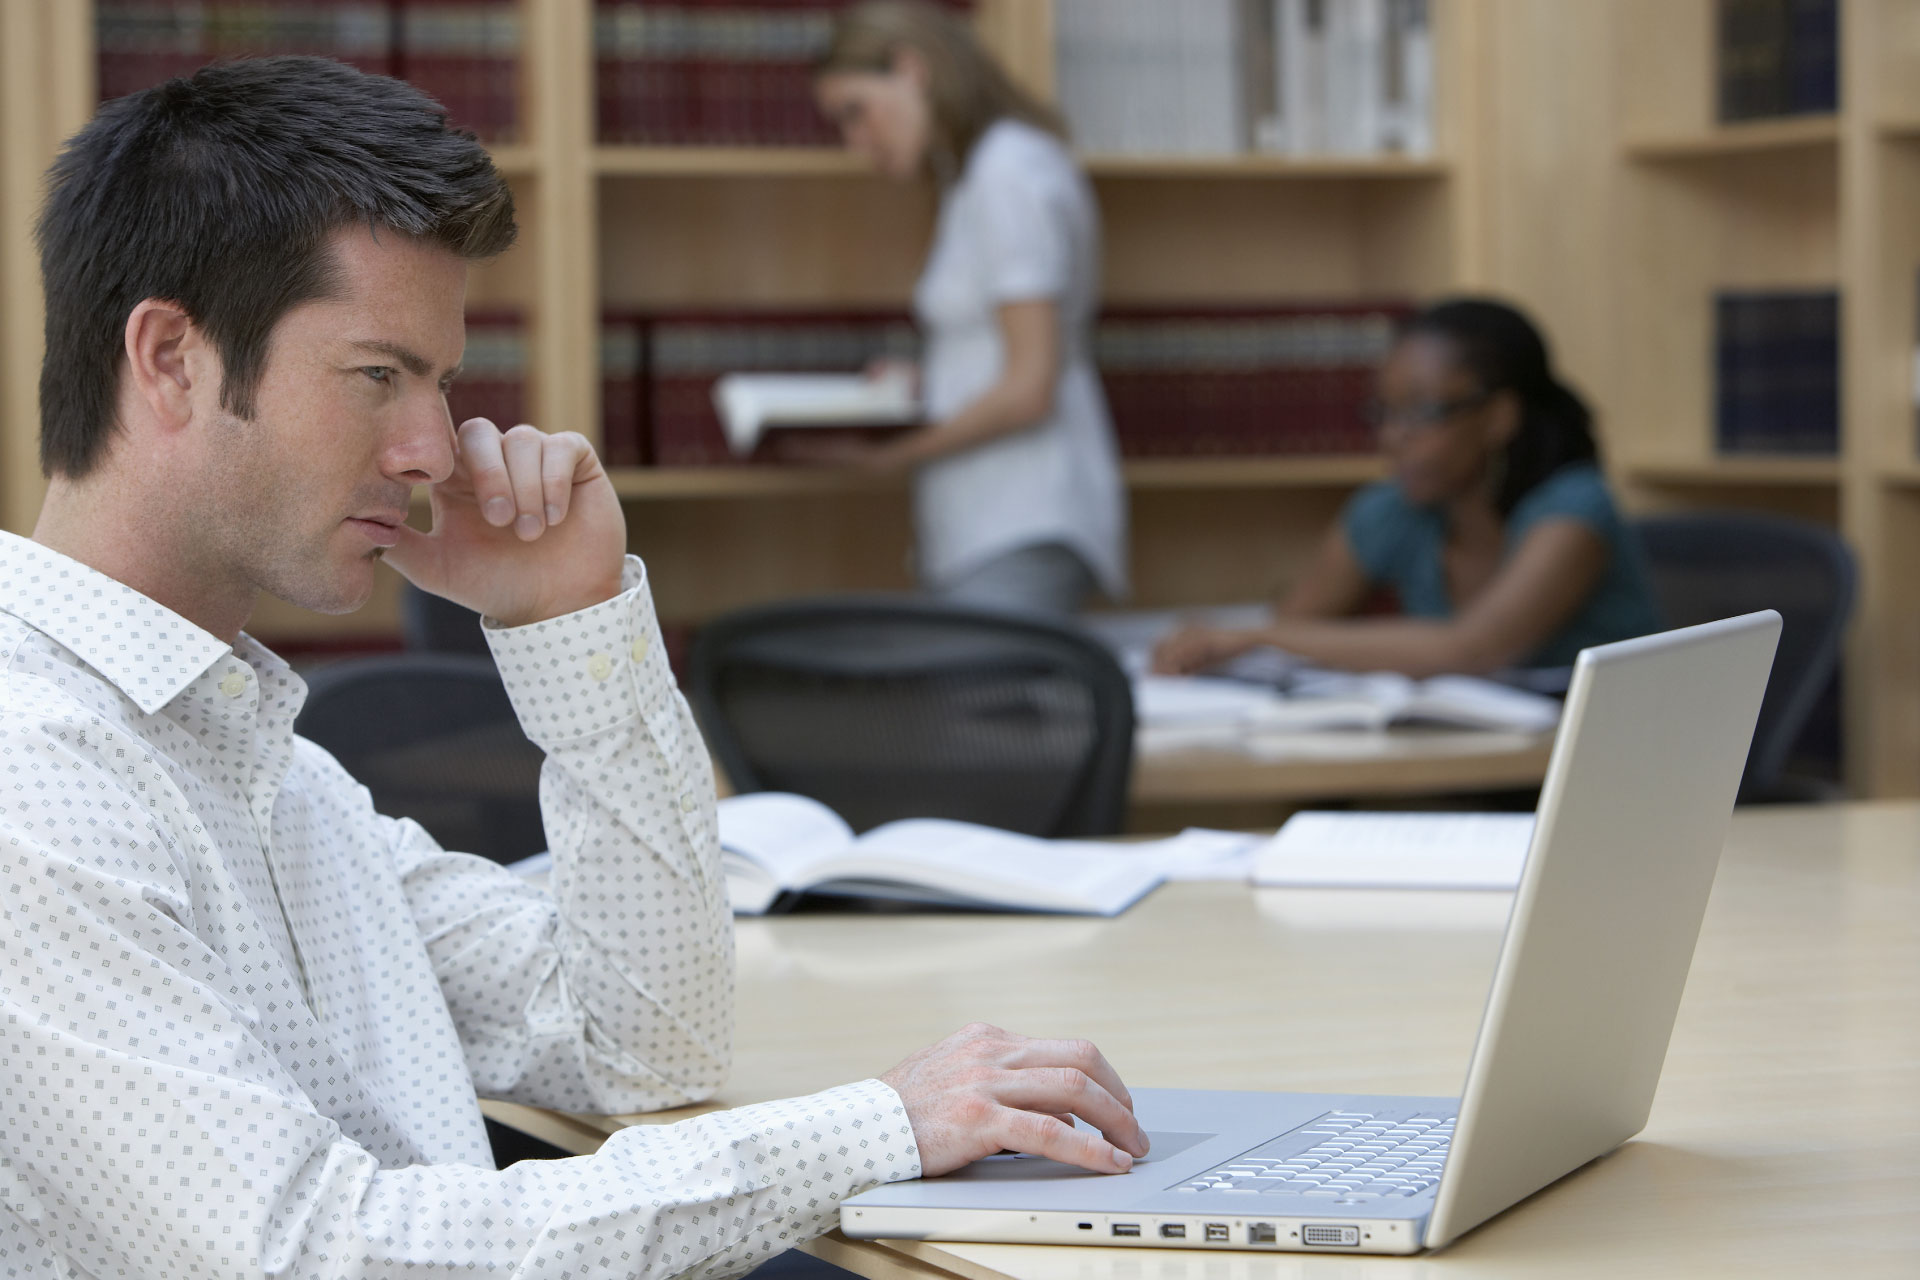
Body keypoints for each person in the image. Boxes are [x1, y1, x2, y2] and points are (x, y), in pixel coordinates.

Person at [0, 57, 1148, 1279]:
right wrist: (878, 1126)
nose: (432, 449)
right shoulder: (36, 774)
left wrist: (574, 621)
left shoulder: (258, 763)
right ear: (170, 358)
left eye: (439, 385)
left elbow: (643, 1042)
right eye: (378, 375)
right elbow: (309, 1256)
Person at [811, 0, 1127, 616]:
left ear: (912, 70)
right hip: (988, 525)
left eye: (857, 112)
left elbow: (1029, 387)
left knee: (984, 709)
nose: (855, 143)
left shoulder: (1007, 175)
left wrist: (888, 458)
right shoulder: (975, 177)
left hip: (1022, 518)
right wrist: (928, 387)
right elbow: (1006, 355)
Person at [1153, 298, 1662, 678]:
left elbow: (1475, 651)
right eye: (1385, 412)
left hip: (1609, 772)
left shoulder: (1574, 508)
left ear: (1498, 417)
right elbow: (1293, 628)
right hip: (1459, 777)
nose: (1394, 437)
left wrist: (1251, 634)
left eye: (1421, 412)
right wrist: (1228, 643)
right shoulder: (1392, 510)